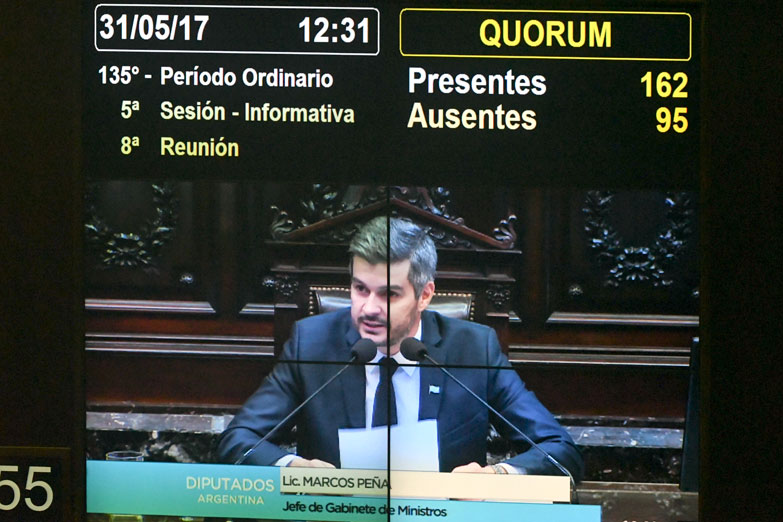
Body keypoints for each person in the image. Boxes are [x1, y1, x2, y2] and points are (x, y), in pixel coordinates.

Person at [218, 216, 583, 479]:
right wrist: (293, 467)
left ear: (425, 295)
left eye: (388, 294)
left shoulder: (474, 349)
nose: (369, 308)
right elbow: (237, 440)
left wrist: (498, 475)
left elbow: (559, 450)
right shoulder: (311, 343)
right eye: (360, 289)